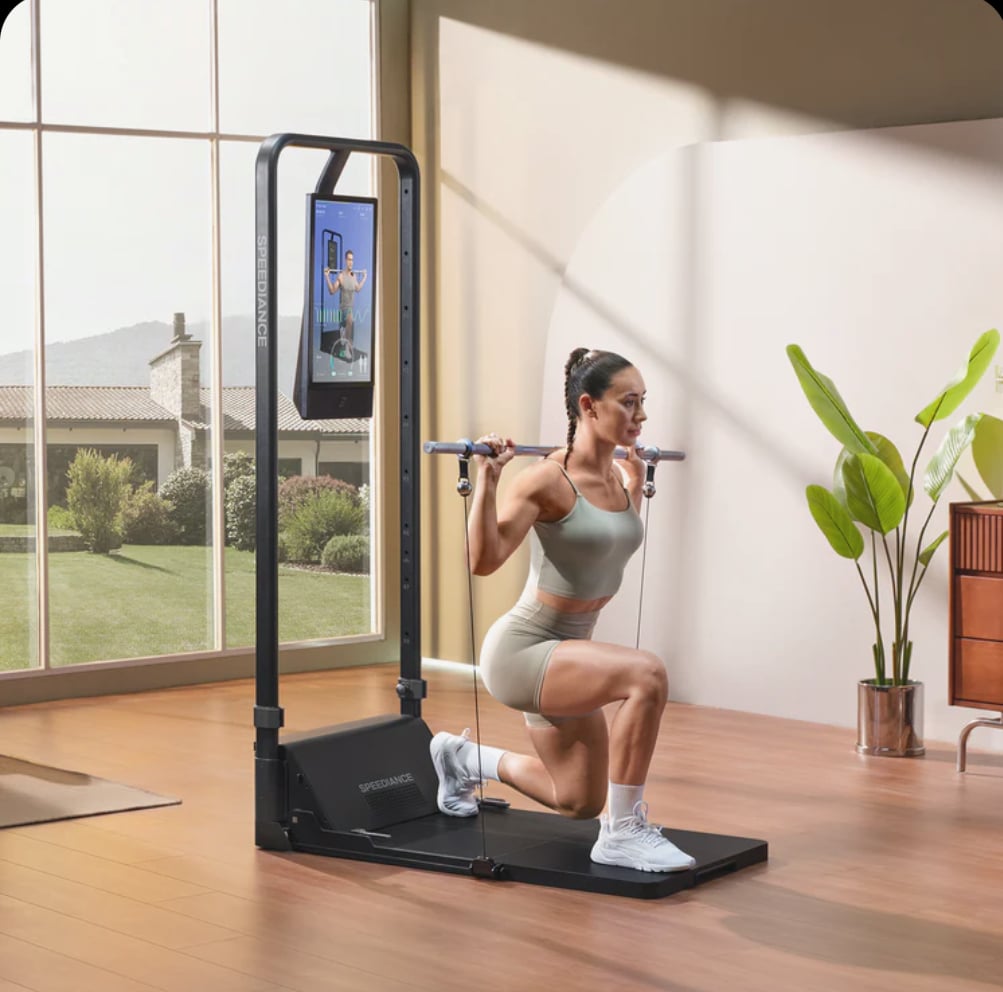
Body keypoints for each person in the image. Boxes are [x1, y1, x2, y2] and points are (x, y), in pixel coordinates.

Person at [430, 348, 695, 873]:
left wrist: (638, 489)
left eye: (644, 404)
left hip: (567, 655)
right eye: (630, 403)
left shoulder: (621, 480)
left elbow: (604, 543)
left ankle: (463, 760)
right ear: (589, 406)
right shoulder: (546, 479)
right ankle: (623, 832)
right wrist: (486, 480)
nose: (641, 416)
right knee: (648, 675)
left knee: (578, 801)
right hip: (525, 651)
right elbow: (482, 561)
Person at [323, 250, 367, 361]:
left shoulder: (353, 277)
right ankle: (346, 347)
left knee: (350, 335)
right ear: (345, 261)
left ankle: (344, 334)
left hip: (351, 309)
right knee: (350, 321)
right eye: (349, 259)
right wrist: (327, 276)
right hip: (343, 309)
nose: (351, 262)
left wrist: (365, 277)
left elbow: (358, 288)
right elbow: (332, 291)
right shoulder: (341, 276)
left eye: (352, 260)